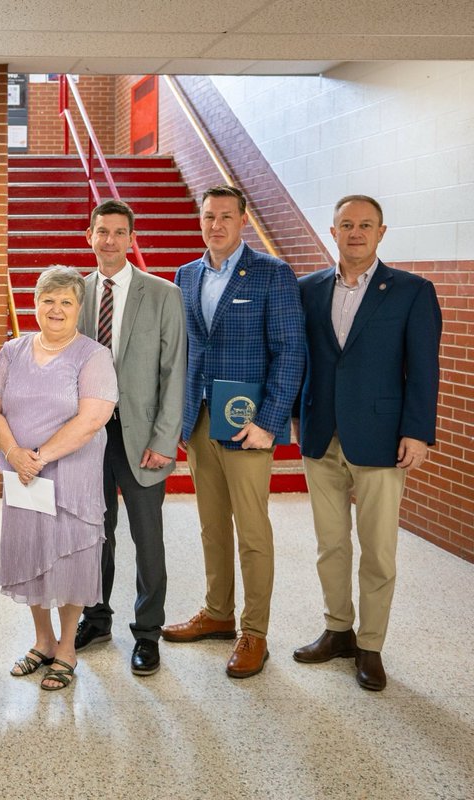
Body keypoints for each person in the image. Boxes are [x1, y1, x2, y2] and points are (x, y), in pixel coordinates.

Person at [293, 195, 442, 691]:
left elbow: (423, 369)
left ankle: (371, 645)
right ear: (332, 231)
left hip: (381, 438)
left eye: (365, 225)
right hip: (320, 434)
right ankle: (338, 630)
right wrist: (296, 415)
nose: (355, 232)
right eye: (346, 224)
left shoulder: (411, 292)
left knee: (378, 550)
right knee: (330, 545)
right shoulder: (307, 289)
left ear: (381, 233)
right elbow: (301, 360)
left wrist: (418, 431)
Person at [163, 185, 305, 679]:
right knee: (210, 524)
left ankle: (255, 631)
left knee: (252, 530)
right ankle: (218, 613)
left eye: (226, 216)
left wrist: (269, 421)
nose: (216, 225)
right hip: (200, 420)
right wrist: (179, 418)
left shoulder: (272, 273)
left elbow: (290, 351)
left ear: (242, 219)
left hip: (247, 424)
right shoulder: (185, 275)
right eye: (208, 217)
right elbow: (183, 352)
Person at [0, 267, 117, 691]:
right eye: (48, 300)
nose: (55, 309)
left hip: (71, 474)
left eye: (66, 302)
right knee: (31, 550)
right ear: (35, 303)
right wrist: (15, 455)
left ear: (78, 308)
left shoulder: (93, 354)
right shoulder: (12, 351)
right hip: (23, 475)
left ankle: (67, 650)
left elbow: (94, 416)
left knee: (71, 553)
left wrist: (38, 458)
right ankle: (42, 641)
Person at [74, 200, 187, 676]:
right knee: (95, 533)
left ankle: (147, 632)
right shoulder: (74, 293)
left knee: (147, 538)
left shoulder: (161, 294)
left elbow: (174, 371)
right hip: (87, 437)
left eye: (119, 232)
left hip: (141, 436)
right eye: (102, 232)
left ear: (131, 239)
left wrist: (165, 439)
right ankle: (96, 618)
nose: (110, 241)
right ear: (89, 236)